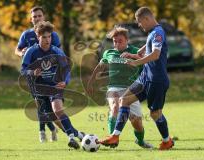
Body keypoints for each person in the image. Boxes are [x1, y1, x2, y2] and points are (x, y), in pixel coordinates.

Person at [99, 7, 174, 150]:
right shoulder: (153, 32)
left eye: (140, 22)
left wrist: (136, 62)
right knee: (124, 100)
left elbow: (156, 55)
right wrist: (136, 53)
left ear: (147, 18)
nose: (139, 25)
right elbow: (148, 48)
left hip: (156, 80)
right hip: (146, 76)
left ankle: (167, 140)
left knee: (155, 114)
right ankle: (114, 136)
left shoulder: (158, 32)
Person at [21, 21, 84, 149]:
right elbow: (23, 70)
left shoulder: (57, 51)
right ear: (38, 37)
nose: (47, 40)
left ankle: (71, 138)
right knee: (53, 117)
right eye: (44, 37)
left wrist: (64, 82)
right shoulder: (31, 52)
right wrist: (32, 72)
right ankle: (78, 134)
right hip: (39, 88)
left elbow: (66, 69)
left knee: (58, 109)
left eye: (49, 36)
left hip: (55, 86)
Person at [87, 27, 152, 149]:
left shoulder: (135, 51)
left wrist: (133, 56)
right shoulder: (109, 53)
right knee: (115, 107)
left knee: (136, 122)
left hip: (132, 90)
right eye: (114, 41)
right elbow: (100, 67)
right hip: (114, 88)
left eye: (120, 41)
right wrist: (90, 82)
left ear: (127, 40)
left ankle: (140, 141)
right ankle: (113, 139)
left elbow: (148, 62)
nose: (117, 43)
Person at [15, 6, 61, 143]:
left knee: (48, 106)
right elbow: (17, 50)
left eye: (39, 15)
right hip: (33, 75)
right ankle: (47, 130)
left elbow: (58, 53)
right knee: (40, 104)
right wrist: (21, 53)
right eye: (34, 16)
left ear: (44, 17)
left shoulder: (52, 35)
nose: (37, 18)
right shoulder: (26, 35)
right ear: (31, 19)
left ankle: (45, 131)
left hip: (49, 75)